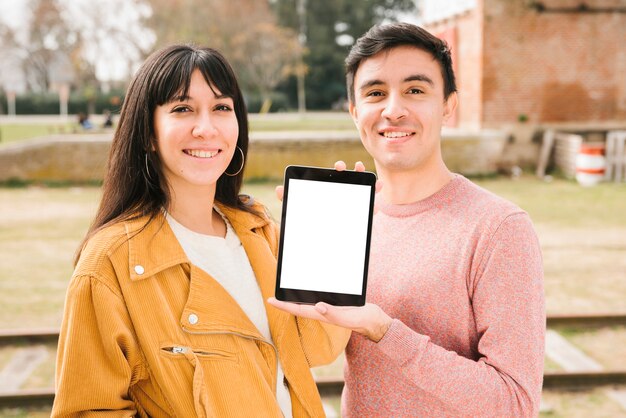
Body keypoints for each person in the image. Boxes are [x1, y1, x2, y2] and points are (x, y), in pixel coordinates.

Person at [52, 44, 349, 417]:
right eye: (182, 109)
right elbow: (88, 410)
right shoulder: (109, 265)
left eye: (222, 108)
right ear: (148, 133)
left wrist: (331, 243)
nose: (206, 128)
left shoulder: (260, 231)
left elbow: (318, 348)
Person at [269, 22, 545, 417]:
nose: (393, 109)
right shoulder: (347, 223)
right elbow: (316, 354)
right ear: (354, 112)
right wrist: (299, 257)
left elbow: (515, 403)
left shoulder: (499, 228)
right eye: (375, 93)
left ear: (448, 106)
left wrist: (387, 332)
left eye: (415, 90)